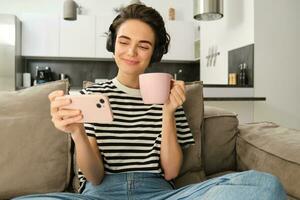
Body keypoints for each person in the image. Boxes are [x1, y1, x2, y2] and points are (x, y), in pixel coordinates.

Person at [15, 3, 287, 200]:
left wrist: (168, 112)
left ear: (153, 52)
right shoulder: (91, 97)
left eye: (143, 45)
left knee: (265, 185)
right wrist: (77, 133)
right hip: (100, 194)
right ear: (113, 45)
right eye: (124, 42)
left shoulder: (169, 98)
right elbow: (95, 177)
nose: (131, 52)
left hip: (158, 192)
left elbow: (170, 171)